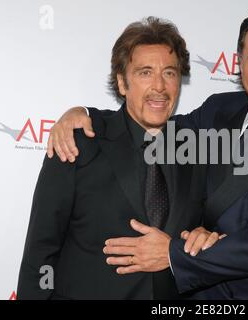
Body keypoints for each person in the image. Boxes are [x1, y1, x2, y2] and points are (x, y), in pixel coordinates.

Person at [47, 10, 248, 299]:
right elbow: (152, 127)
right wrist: (85, 115)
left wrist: (170, 253)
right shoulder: (219, 110)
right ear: (240, 64)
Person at [17, 17, 216, 300]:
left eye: (169, 73)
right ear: (122, 82)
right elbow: (41, 250)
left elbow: (209, 231)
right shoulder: (79, 143)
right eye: (145, 73)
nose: (159, 86)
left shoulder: (197, 148)